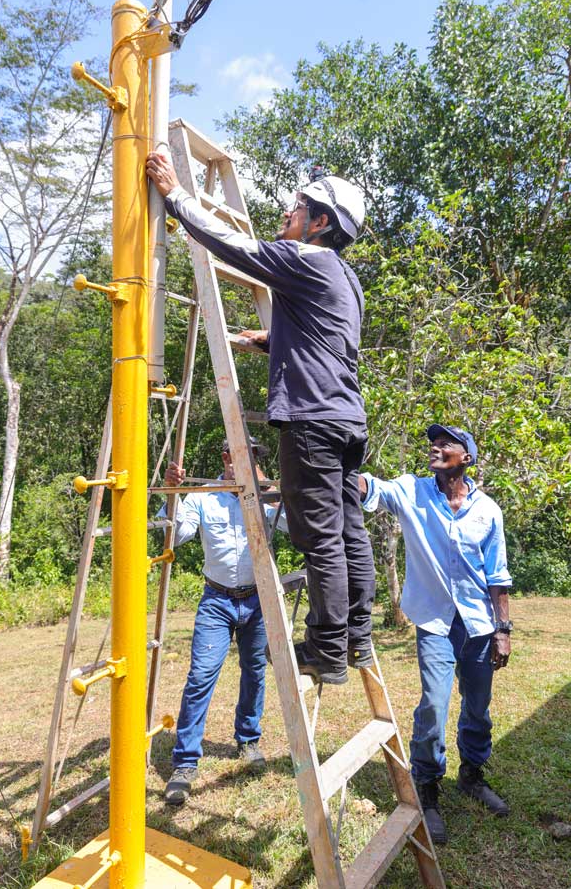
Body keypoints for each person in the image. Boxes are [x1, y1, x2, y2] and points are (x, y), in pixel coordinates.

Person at [146, 152, 375, 685]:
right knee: (347, 532)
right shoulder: (345, 277)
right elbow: (327, 339)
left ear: (321, 224)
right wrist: (271, 341)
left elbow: (237, 248)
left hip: (313, 419)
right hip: (344, 417)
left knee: (320, 539)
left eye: (299, 207)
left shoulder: (306, 259)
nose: (289, 212)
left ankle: (326, 650)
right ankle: (356, 638)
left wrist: (177, 196)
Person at [359, 424, 512, 844]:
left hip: (479, 625)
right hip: (434, 623)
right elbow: (370, 487)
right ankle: (427, 786)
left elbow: (497, 576)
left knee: (478, 707)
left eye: (447, 443)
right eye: (434, 441)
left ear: (466, 457)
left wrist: (502, 629)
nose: (436, 447)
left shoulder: (488, 511)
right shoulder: (412, 491)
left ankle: (472, 775)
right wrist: (330, 467)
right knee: (434, 704)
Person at [161, 437, 288, 805]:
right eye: (238, 456)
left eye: (252, 458)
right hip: (216, 600)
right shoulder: (202, 495)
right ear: (225, 458)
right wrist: (172, 492)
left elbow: (291, 529)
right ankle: (185, 763)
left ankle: (248, 741)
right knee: (201, 676)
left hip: (258, 599)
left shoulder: (263, 497)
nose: (244, 463)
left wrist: (268, 488)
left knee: (255, 671)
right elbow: (177, 534)